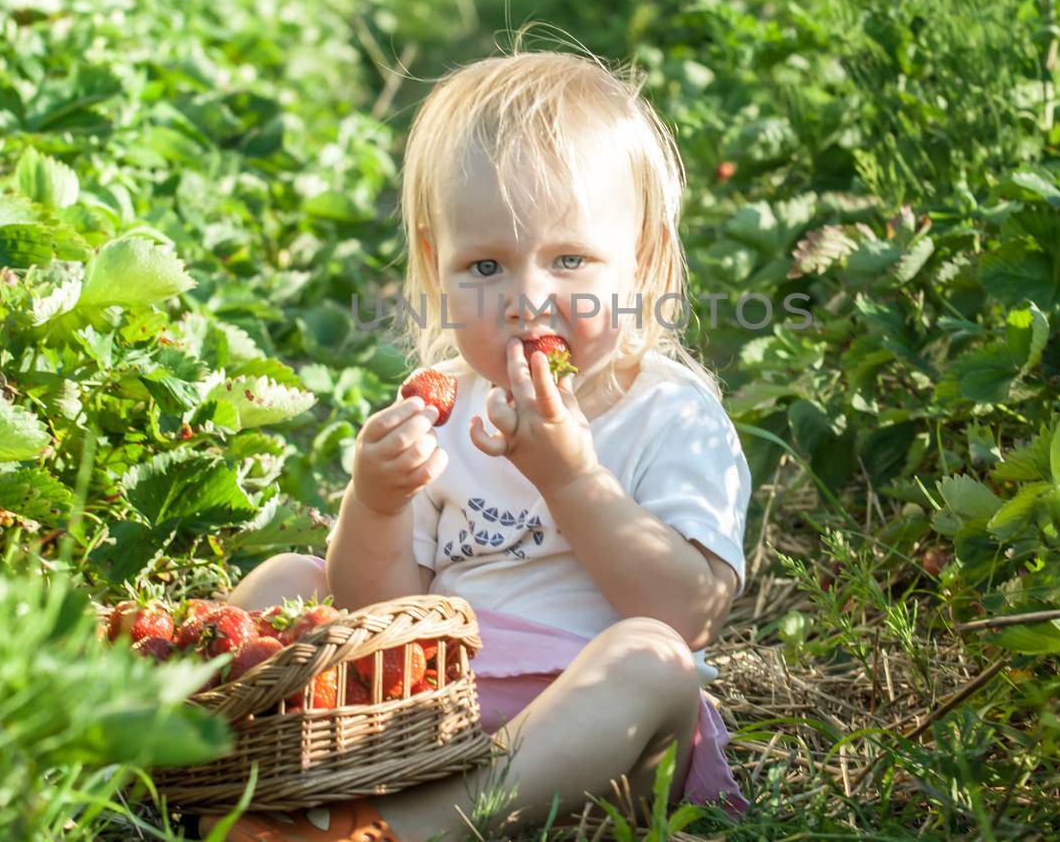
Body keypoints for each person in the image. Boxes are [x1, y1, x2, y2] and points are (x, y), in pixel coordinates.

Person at [200, 47, 753, 842]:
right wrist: (377, 501)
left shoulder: (672, 411)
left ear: (643, 257)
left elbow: (688, 610)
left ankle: (410, 830)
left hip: (585, 735)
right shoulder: (446, 404)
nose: (530, 299)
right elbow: (374, 612)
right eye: (487, 265)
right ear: (436, 265)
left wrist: (572, 478)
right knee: (287, 577)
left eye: (569, 259)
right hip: (425, 707)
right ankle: (190, 753)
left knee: (651, 658)